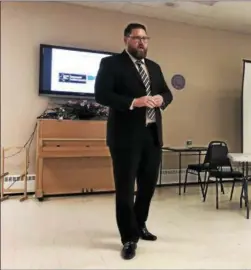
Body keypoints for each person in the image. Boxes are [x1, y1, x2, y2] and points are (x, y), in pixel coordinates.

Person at [94, 23, 173, 260]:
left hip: (152, 136)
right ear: (126, 39)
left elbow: (168, 93)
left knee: (148, 187)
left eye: (145, 38)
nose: (142, 42)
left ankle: (139, 225)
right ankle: (128, 238)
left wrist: (162, 99)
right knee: (126, 189)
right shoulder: (111, 64)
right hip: (125, 138)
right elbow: (101, 95)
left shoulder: (154, 67)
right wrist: (133, 102)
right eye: (137, 38)